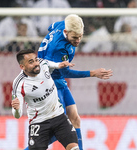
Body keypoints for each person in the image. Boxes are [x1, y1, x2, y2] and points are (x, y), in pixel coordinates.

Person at [37, 14, 113, 150]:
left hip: (58, 79)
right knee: (61, 129)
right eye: (75, 38)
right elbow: (65, 72)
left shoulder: (62, 25)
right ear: (66, 32)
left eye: (80, 36)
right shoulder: (59, 48)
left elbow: (51, 27)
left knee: (75, 119)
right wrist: (92, 73)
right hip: (50, 83)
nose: (78, 40)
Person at [11, 49, 79, 150]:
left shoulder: (42, 64)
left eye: (36, 60)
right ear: (22, 67)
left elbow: (48, 63)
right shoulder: (19, 83)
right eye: (31, 62)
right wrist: (16, 109)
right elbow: (18, 115)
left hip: (59, 117)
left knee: (73, 147)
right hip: (39, 123)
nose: (36, 64)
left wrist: (58, 65)